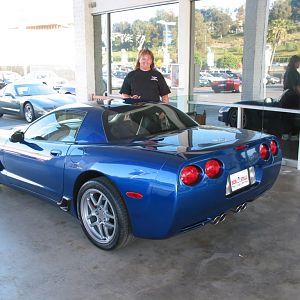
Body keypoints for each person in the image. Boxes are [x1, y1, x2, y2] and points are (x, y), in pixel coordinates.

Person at [281, 55, 300, 140]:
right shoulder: (294, 72)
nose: (299, 64)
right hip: (293, 97)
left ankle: (285, 134)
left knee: (286, 116)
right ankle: (294, 135)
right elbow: (296, 87)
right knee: (294, 116)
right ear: (295, 62)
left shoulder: (287, 71)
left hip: (286, 96)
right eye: (299, 62)